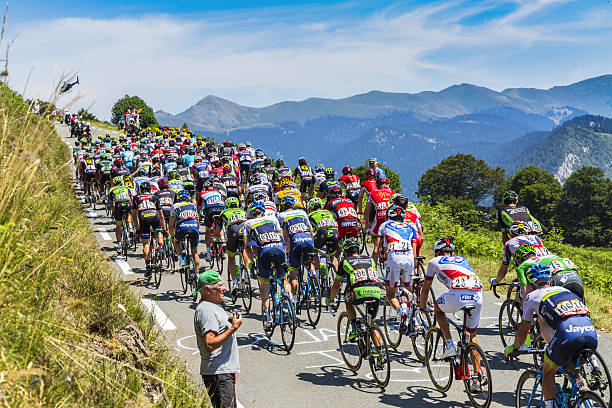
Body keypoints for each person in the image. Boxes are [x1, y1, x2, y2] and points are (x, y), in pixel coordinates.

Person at [504, 264, 596, 408]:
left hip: (567, 335)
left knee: (548, 371)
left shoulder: (532, 296)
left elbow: (524, 330)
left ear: (532, 285)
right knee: (573, 370)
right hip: (590, 332)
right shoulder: (564, 290)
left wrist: (514, 347)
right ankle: (587, 400)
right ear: (551, 281)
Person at [420, 237, 483, 359]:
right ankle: (477, 374)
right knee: (472, 337)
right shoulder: (462, 259)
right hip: (477, 296)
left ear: (437, 252)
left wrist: (422, 306)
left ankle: (449, 345)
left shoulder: (434, 261)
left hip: (458, 296)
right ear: (452, 253)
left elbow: (426, 287)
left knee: (438, 309)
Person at [193, 270, 242, 408]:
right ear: (208, 289)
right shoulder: (207, 311)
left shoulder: (212, 306)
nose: (225, 288)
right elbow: (210, 343)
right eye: (220, 285)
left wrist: (231, 370)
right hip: (218, 373)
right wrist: (232, 328)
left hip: (223, 372)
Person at [242, 200, 289, 330]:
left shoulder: (247, 223)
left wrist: (253, 262)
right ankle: (288, 298)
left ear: (251, 213)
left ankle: (268, 316)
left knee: (264, 286)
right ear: (263, 211)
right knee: (283, 278)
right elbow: (281, 238)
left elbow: (247, 246)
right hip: (279, 250)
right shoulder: (273, 218)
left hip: (264, 253)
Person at [326, 237, 382, 342]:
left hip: (359, 292)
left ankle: (354, 327)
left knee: (347, 300)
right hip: (376, 291)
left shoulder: (345, 261)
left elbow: (336, 284)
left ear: (346, 252)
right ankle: (380, 354)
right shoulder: (369, 259)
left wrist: (331, 299)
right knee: (372, 324)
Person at [374, 205, 417, 329]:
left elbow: (376, 250)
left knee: (390, 294)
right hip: (409, 259)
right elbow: (414, 254)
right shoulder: (411, 227)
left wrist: (372, 267)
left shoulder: (384, 225)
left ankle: (400, 312)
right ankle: (411, 316)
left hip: (394, 259)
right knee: (408, 290)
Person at [277, 196, 316, 311]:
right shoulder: (302, 212)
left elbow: (283, 236)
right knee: (309, 261)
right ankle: (314, 276)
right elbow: (310, 230)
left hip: (296, 241)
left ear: (283, 206)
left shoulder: (281, 216)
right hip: (308, 239)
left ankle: (295, 301)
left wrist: (287, 250)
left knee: (293, 274)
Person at [494, 221, 550, 285]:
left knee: (524, 289)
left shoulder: (509, 243)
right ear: (527, 232)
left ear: (511, 232)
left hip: (533, 268)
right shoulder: (536, 238)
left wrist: (496, 281)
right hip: (550, 263)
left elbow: (504, 268)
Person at [131, 181, 166, 278]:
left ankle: (148, 266)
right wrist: (163, 229)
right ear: (150, 189)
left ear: (141, 190)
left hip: (143, 215)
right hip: (154, 214)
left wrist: (138, 229)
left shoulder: (136, 198)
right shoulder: (155, 197)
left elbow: (134, 215)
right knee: (158, 231)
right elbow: (161, 215)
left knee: (146, 243)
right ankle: (161, 246)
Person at [219, 197, 247, 294]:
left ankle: (234, 281)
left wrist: (216, 239)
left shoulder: (224, 212)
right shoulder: (243, 211)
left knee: (231, 257)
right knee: (244, 251)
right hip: (244, 231)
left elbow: (218, 230)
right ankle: (246, 276)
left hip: (233, 232)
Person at [170, 190, 201, 274]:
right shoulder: (192, 205)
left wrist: (172, 236)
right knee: (194, 252)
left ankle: (181, 259)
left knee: (176, 242)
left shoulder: (175, 206)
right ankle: (197, 274)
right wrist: (196, 230)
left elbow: (171, 224)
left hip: (182, 227)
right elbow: (197, 221)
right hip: (194, 227)